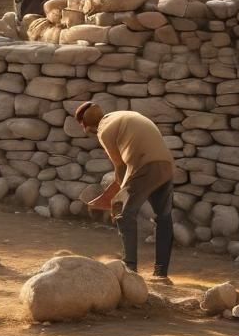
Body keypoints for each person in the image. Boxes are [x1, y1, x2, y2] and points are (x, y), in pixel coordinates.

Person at [74, 102, 175, 282]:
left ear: (85, 125)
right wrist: (110, 195)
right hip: (165, 165)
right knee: (163, 217)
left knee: (123, 212)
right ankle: (161, 273)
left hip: (144, 166)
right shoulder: (120, 116)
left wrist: (111, 199)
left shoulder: (103, 130)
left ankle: (130, 270)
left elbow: (120, 168)